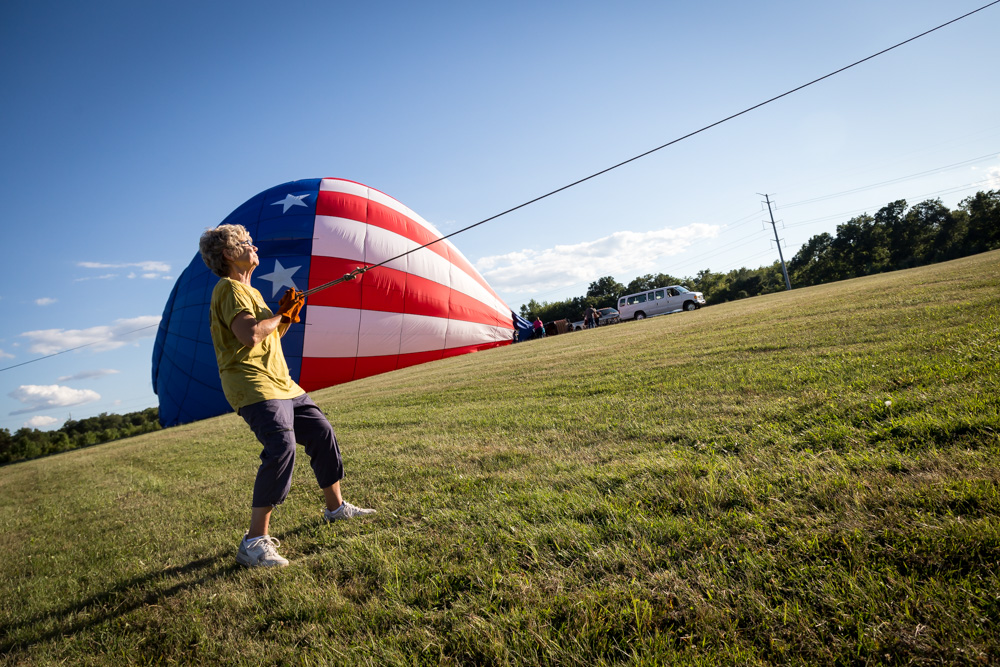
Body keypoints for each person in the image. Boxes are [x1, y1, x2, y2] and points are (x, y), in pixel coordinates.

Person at [199, 224, 375, 568]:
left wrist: (287, 317)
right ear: (229, 254)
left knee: (321, 432)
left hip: (283, 384)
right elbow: (250, 335)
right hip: (254, 385)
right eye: (246, 243)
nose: (253, 247)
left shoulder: (250, 291)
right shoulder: (229, 289)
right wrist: (280, 314)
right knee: (282, 447)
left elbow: (268, 336)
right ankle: (254, 541)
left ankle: (336, 508)